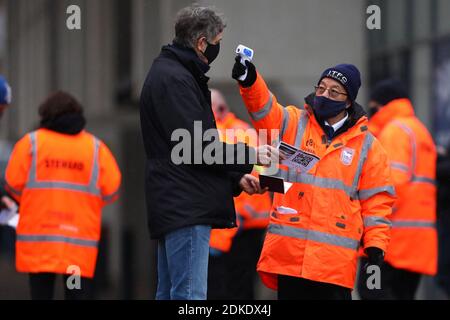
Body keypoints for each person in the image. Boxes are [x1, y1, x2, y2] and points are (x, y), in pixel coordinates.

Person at [139, 5, 276, 300]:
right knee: (189, 297)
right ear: (202, 42)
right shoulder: (177, 78)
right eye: (217, 42)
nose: (218, 49)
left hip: (178, 200)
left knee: (171, 294)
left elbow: (189, 148)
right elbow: (196, 147)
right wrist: (251, 156)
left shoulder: (173, 73)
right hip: (187, 205)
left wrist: (235, 179)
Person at [232, 58, 396, 300]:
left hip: (333, 265)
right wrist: (250, 80)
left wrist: (376, 244)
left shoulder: (368, 147)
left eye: (334, 91)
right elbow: (265, 109)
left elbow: (377, 201)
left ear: (349, 100)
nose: (324, 94)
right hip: (290, 258)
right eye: (321, 88)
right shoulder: (293, 121)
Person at [4, 91, 122, 300]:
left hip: (41, 247)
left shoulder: (30, 145)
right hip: (76, 250)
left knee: (42, 295)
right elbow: (111, 191)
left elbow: (13, 187)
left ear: (45, 115)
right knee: (75, 295)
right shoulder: (95, 149)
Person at [357, 79, 437, 300]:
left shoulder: (394, 131)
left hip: (388, 244)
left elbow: (390, 187)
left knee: (371, 291)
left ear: (380, 105)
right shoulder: (418, 130)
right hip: (416, 243)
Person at [207, 89, 272, 300]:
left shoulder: (218, 134)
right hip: (247, 222)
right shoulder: (245, 131)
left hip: (236, 223)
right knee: (241, 287)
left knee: (226, 288)